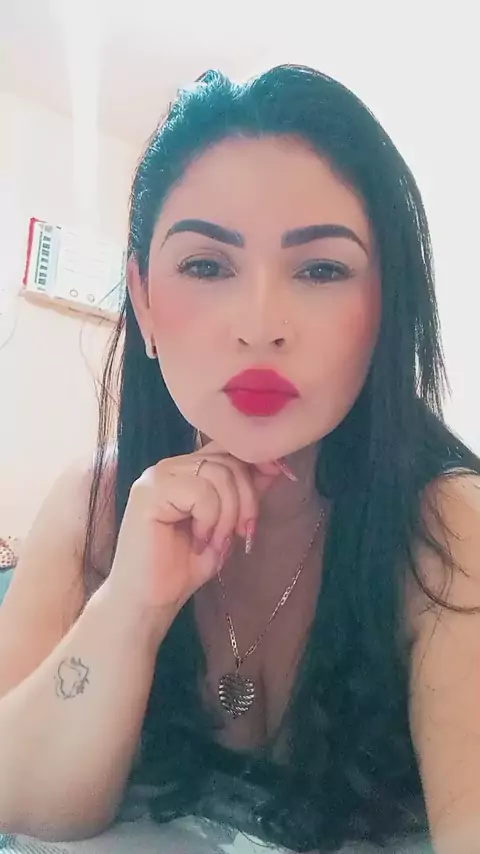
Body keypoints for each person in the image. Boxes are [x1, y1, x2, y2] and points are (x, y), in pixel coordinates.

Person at [1, 64, 480, 854]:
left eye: (321, 269)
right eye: (206, 265)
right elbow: (22, 802)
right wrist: (129, 608)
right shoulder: (96, 501)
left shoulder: (447, 528)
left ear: (387, 308)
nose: (260, 325)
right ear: (143, 301)